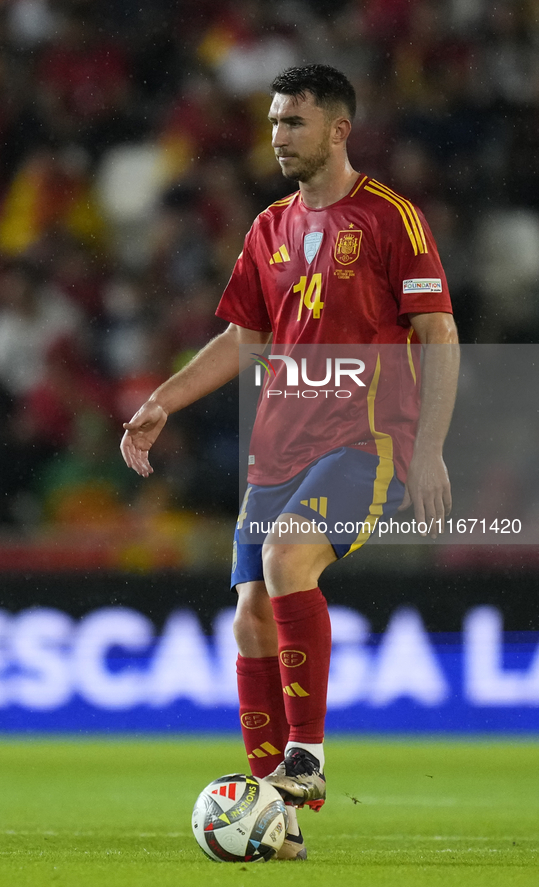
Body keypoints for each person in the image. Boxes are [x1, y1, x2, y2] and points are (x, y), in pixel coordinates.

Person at [121, 64, 459, 861]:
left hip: (363, 440)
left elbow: (438, 332)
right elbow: (245, 338)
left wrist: (432, 446)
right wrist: (166, 399)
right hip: (275, 449)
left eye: (292, 123)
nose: (276, 136)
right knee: (248, 615)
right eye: (273, 121)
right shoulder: (269, 226)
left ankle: (306, 756)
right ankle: (278, 821)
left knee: (285, 557)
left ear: (338, 129)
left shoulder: (388, 219)